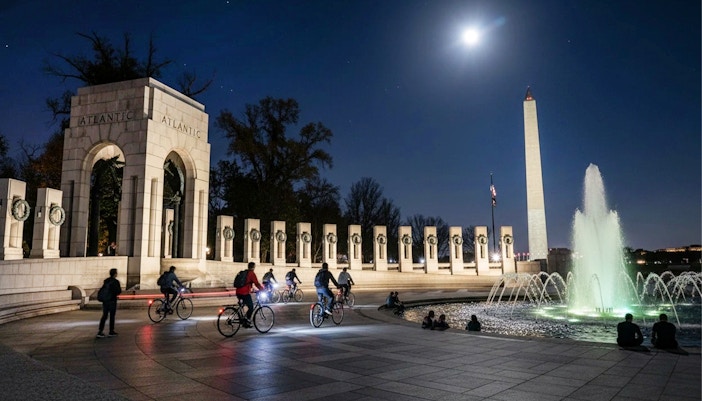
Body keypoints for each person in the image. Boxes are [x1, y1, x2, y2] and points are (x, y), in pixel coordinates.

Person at [235, 262, 263, 327]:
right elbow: (257, 283)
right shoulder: (251, 274)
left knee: (243, 304)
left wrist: (253, 289)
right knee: (251, 307)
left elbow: (248, 283)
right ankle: (247, 321)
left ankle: (243, 319)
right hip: (244, 293)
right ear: (254, 267)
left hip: (238, 292)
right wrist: (262, 290)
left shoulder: (245, 272)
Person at [97, 268, 121, 338]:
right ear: (115, 274)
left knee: (104, 315)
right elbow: (118, 291)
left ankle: (100, 331)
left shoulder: (106, 281)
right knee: (112, 316)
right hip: (112, 301)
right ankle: (111, 331)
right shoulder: (116, 282)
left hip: (105, 301)